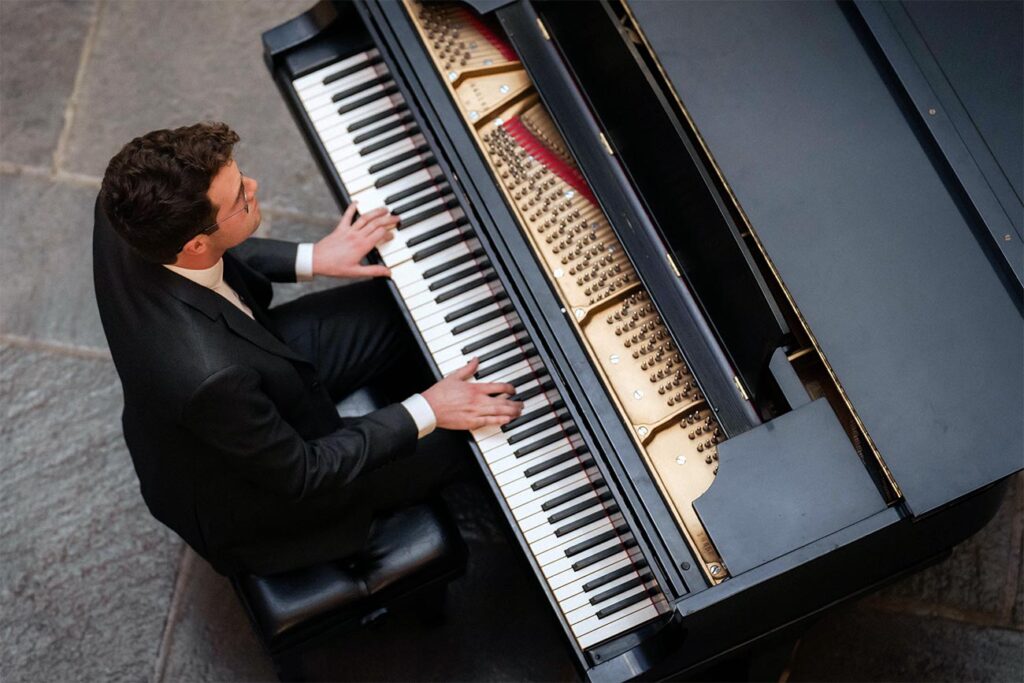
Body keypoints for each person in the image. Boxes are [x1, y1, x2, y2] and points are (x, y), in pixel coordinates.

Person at [93, 121, 522, 576]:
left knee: (397, 306)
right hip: (271, 498)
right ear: (196, 241)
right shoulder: (208, 375)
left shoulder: (123, 207)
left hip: (250, 360)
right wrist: (425, 409)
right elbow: (305, 471)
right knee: (481, 438)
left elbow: (210, 252)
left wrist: (312, 258)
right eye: (241, 196)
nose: (254, 187)